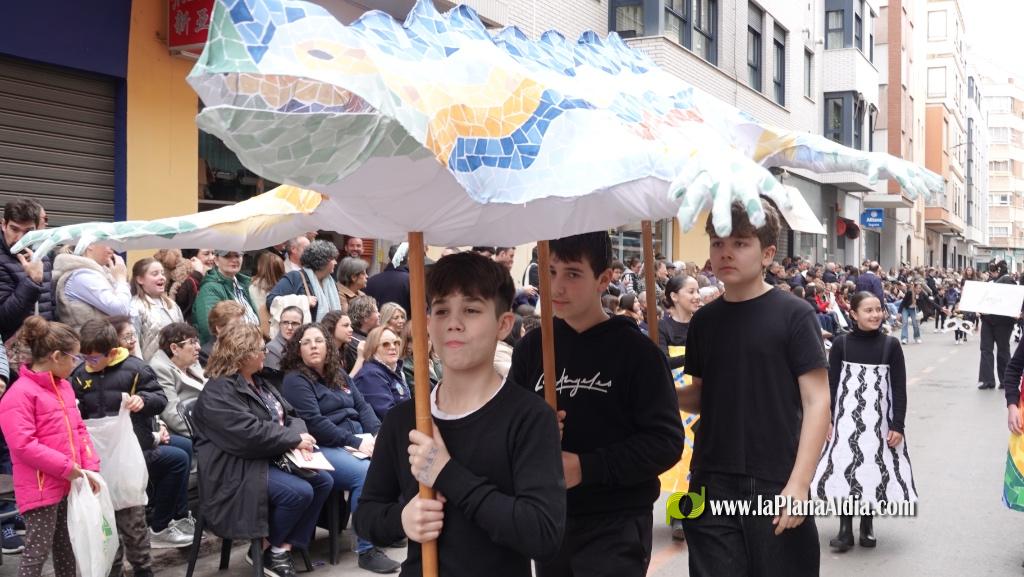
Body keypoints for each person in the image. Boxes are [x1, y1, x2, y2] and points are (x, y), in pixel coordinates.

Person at [356, 252, 566, 577]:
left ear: (503, 324)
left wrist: (447, 472)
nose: (453, 322)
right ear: (427, 323)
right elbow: (367, 515)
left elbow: (542, 533)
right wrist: (402, 519)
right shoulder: (404, 420)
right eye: (441, 310)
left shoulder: (530, 418)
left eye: (471, 309)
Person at [510, 232, 684, 577]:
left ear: (604, 279)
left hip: (617, 523)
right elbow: (509, 427)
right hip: (550, 517)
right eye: (551, 270)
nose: (556, 286)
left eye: (572, 274)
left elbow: (666, 443)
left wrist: (586, 468)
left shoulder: (638, 353)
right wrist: (532, 428)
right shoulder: (532, 348)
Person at [677, 200, 830, 577]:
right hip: (710, 480)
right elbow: (704, 395)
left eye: (741, 243)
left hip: (776, 480)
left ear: (768, 254)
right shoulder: (705, 321)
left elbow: (817, 400)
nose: (725, 253)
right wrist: (661, 395)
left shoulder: (795, 315)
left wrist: (799, 484)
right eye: (717, 243)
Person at [193, 323, 333, 577]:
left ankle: (278, 548)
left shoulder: (259, 380)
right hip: (233, 469)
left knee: (323, 481)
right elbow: (249, 435)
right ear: (242, 355)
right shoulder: (217, 393)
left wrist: (300, 436)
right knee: (299, 492)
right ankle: (273, 551)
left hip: (265, 457)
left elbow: (290, 413)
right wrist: (293, 440)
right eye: (260, 349)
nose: (265, 353)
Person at [279, 323, 401, 574]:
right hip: (322, 446)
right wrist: (357, 442)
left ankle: (383, 527)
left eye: (319, 341)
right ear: (297, 349)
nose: (313, 346)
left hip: (357, 437)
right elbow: (315, 423)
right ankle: (367, 550)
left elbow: (363, 406)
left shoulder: (338, 373)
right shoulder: (295, 380)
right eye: (306, 342)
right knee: (364, 473)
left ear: (328, 346)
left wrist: (378, 435)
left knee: (395, 458)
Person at [70, 320, 196, 558]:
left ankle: (166, 523)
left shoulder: (135, 368)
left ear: (111, 352)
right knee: (176, 459)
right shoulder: (78, 376)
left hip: (134, 449)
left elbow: (160, 399)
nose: (89, 363)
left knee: (177, 458)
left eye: (94, 358)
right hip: (98, 454)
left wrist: (143, 401)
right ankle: (157, 526)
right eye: (84, 357)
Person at [813, 291, 916, 552]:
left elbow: (899, 388)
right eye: (868, 310)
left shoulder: (890, 345)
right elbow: (831, 384)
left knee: (872, 469)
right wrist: (828, 419)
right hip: (845, 420)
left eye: (878, 309)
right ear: (854, 314)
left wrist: (897, 424)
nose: (875, 314)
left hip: (878, 420)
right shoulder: (841, 344)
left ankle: (867, 526)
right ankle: (845, 529)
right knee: (846, 468)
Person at [0, 316, 101, 577]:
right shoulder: (19, 393)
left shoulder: (64, 387)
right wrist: (67, 467)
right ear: (56, 356)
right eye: (74, 358)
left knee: (67, 547)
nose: (77, 363)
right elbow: (23, 445)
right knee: (36, 552)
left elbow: (79, 429)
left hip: (69, 481)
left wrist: (90, 467)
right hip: (41, 486)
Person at [656, 273, 702, 541]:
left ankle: (694, 512)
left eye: (698, 291)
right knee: (680, 458)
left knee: (699, 457)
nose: (697, 296)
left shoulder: (702, 323)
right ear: (674, 296)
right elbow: (661, 361)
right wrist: (692, 356)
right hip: (674, 395)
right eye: (691, 291)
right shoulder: (662, 326)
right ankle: (678, 515)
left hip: (700, 391)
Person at [0, 199, 55, 338]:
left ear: (37, 229)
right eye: (14, 229)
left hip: (41, 349)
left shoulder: (42, 256)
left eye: (28, 232)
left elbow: (49, 305)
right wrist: (32, 281)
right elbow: (4, 319)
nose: (20, 239)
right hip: (10, 353)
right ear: (3, 225)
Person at [52, 242, 131, 333]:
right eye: (107, 242)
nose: (112, 249)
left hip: (102, 342)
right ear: (90, 245)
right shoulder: (82, 276)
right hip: (94, 344)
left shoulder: (100, 273)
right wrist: (121, 279)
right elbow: (120, 310)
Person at [150, 323, 206, 437]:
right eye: (192, 342)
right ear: (174, 348)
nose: (198, 347)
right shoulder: (160, 368)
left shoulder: (190, 360)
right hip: (196, 433)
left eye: (197, 341)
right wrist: (207, 435)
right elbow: (173, 415)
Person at [193, 250, 259, 345]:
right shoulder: (210, 289)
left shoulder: (244, 284)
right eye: (227, 256)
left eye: (237, 255)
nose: (234, 259)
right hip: (229, 353)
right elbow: (210, 330)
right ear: (216, 260)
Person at [267, 240, 342, 322]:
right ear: (322, 261)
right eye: (333, 259)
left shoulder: (330, 282)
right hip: (302, 332)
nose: (335, 263)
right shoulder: (295, 277)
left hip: (327, 333)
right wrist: (303, 301)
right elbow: (271, 301)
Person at [130, 257, 185, 361]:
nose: (162, 277)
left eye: (162, 273)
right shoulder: (135, 307)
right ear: (140, 279)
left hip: (176, 367)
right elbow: (133, 345)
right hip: (151, 370)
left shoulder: (172, 305)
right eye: (155, 274)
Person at [352, 326, 410, 421]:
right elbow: (390, 414)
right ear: (373, 348)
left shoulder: (393, 370)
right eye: (385, 344)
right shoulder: (370, 375)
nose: (392, 347)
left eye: (396, 343)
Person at [979, 260, 1018, 390]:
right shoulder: (989, 283)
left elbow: (1015, 300)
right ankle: (987, 380)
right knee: (986, 349)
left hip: (1003, 322)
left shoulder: (1009, 281)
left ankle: (1005, 380)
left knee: (1002, 351)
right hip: (988, 320)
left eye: (995, 269)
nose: (992, 271)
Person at [171, 249, 216, 323]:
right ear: (193, 258)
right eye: (206, 254)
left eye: (213, 253)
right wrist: (197, 273)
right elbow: (182, 303)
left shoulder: (216, 276)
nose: (212, 257)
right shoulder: (180, 280)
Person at [364, 245, 411, 316]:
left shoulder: (371, 281)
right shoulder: (412, 281)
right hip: (405, 325)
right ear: (408, 259)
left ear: (389, 258)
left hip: (378, 325)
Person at [250, 251, 286, 339]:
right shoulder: (286, 288)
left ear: (260, 267)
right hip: (283, 332)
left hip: (262, 334)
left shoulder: (252, 288)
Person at [199, 300, 246, 366]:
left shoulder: (244, 349)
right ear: (219, 328)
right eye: (235, 325)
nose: (242, 329)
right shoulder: (206, 354)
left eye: (243, 324)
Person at [265, 306, 304, 377]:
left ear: (302, 326)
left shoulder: (303, 345)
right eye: (285, 323)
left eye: (294, 323)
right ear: (280, 325)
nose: (289, 328)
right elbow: (276, 383)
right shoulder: (272, 349)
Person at [345, 295, 380, 372]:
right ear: (365, 317)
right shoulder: (354, 342)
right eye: (376, 311)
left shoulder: (369, 337)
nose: (379, 314)